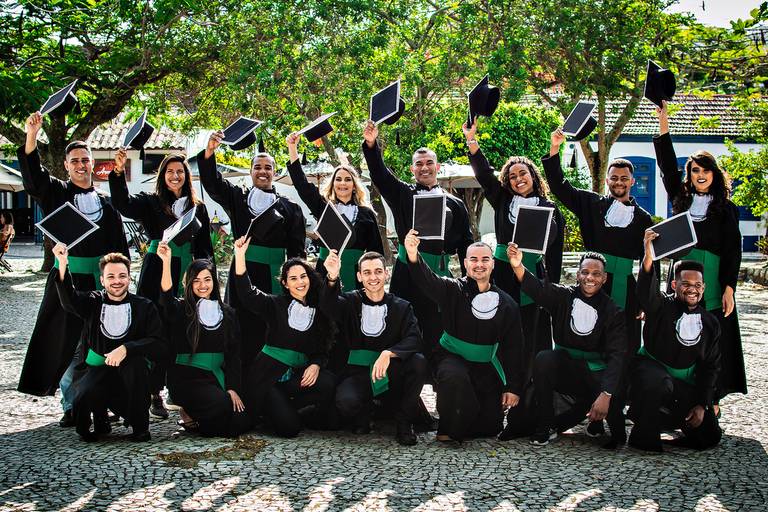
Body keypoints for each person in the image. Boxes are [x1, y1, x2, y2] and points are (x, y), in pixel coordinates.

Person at [16, 112, 129, 429]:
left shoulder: (107, 206)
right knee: (68, 344)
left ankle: (97, 401)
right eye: (75, 161)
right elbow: (33, 177)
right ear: (66, 166)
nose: (81, 165)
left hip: (100, 284)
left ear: (93, 164)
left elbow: (118, 250)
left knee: (100, 344)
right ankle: (71, 404)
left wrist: (117, 284)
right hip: (67, 280)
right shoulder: (57, 194)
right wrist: (31, 134)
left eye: (85, 160)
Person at [109, 150, 214, 419]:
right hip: (157, 271)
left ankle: (178, 394)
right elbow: (122, 204)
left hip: (185, 276)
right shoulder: (150, 202)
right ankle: (152, 392)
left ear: (186, 176)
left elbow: (204, 248)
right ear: (162, 176)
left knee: (180, 333)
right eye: (170, 172)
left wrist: (205, 279)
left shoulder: (197, 207)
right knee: (155, 330)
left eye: (180, 171)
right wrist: (118, 173)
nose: (175, 176)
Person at [654, 101, 746, 405]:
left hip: (713, 280)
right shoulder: (681, 200)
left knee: (712, 337)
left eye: (705, 170)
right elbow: (667, 166)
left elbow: (734, 249)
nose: (701, 175)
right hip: (682, 277)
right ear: (690, 175)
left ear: (713, 174)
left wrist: (729, 288)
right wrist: (663, 121)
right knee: (679, 329)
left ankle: (711, 399)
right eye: (695, 171)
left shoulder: (726, 208)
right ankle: (676, 394)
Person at [362, 121, 473, 362]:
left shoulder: (456, 203)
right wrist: (371, 145)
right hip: (406, 273)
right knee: (402, 326)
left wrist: (469, 281)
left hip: (439, 274)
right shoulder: (402, 194)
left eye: (429, 163)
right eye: (419, 164)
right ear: (412, 169)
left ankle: (437, 380)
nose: (424, 168)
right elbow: (379, 174)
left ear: (438, 167)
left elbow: (466, 243)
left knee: (438, 329)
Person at [197, 131, 306, 371]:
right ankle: (239, 381)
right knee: (239, 327)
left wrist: (295, 285)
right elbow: (213, 184)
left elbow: (297, 253)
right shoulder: (238, 199)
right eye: (258, 167)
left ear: (275, 173)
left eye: (268, 167)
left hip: (275, 280)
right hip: (242, 276)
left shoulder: (291, 209)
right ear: (251, 171)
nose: (263, 172)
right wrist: (210, 151)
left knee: (272, 329)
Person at [463, 119, 564, 376]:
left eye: (523, 173)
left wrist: (550, 286)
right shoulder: (502, 200)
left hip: (533, 277)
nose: (519, 179)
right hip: (503, 275)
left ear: (533, 176)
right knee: (501, 326)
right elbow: (484, 175)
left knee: (533, 333)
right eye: (512, 176)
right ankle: (498, 382)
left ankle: (529, 390)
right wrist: (471, 141)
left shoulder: (550, 209)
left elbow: (555, 253)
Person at [404, 230, 523, 442]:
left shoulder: (507, 303)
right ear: (466, 263)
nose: (479, 264)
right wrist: (413, 254)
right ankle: (448, 428)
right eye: (474, 259)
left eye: (485, 259)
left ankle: (468, 417)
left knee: (491, 426)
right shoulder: (452, 289)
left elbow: (514, 347)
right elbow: (427, 280)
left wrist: (512, 387)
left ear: (493, 264)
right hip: (451, 357)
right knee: (453, 375)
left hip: (486, 364)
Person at [503, 245, 628, 448]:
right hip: (567, 369)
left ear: (604, 279)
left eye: (596, 274)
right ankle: (545, 425)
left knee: (618, 436)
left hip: (596, 374)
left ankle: (597, 421)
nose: (590, 278)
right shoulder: (563, 296)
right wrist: (517, 265)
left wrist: (606, 394)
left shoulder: (613, 311)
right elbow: (536, 288)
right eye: (585, 272)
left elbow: (617, 356)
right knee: (544, 359)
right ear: (578, 275)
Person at [545, 129, 652, 354]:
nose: (618, 182)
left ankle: (620, 386)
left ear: (632, 181)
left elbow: (649, 263)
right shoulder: (591, 204)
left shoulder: (644, 218)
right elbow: (559, 187)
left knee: (622, 341)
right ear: (606, 180)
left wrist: (645, 300)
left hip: (625, 287)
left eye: (624, 178)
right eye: (614, 178)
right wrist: (555, 147)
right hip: (591, 280)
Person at [52, 243, 164, 442]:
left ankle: (140, 426)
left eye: (122, 276)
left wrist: (127, 349)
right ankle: (98, 418)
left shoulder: (144, 306)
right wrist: (62, 263)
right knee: (83, 398)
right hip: (98, 369)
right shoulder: (93, 301)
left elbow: (157, 341)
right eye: (111, 277)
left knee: (135, 366)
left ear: (129, 278)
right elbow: (69, 300)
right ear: (102, 280)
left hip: (131, 372)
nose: (117, 281)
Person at [627, 229, 722, 452]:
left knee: (710, 434)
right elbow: (646, 293)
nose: (692, 289)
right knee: (659, 382)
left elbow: (712, 366)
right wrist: (648, 258)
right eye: (686, 284)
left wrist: (702, 404)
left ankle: (675, 429)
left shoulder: (710, 322)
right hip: (651, 375)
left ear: (704, 289)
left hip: (682, 386)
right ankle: (643, 436)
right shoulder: (661, 306)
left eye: (698, 286)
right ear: (673, 286)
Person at [232, 235, 336, 438]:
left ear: (310, 278)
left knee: (328, 382)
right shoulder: (275, 305)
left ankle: (287, 408)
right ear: (285, 283)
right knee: (290, 429)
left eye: (303, 276)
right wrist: (240, 256)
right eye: (293, 278)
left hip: (296, 378)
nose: (300, 282)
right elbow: (247, 294)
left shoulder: (319, 310)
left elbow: (322, 347)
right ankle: (274, 411)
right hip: (268, 378)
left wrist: (315, 364)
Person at [319, 250, 427, 445]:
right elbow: (328, 306)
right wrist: (332, 277)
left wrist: (389, 353)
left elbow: (414, 339)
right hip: (358, 373)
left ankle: (404, 422)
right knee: (345, 403)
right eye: (367, 272)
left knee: (418, 362)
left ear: (386, 274)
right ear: (359, 276)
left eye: (378, 271)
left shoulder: (402, 306)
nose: (373, 277)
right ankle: (367, 409)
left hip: (391, 372)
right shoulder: (350, 301)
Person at [156, 243, 250, 437]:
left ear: (214, 282)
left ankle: (197, 417)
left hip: (215, 377)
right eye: (196, 281)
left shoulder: (228, 313)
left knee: (241, 422)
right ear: (188, 283)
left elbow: (234, 356)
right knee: (221, 409)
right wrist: (166, 262)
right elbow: (166, 298)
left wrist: (232, 388)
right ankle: (187, 411)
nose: (202, 285)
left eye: (207, 279)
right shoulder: (181, 309)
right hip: (186, 377)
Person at [285, 132, 383, 289]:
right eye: (338, 179)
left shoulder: (366, 213)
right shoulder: (323, 207)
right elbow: (301, 184)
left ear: (354, 185)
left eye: (347, 179)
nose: (342, 183)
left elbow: (376, 251)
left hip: (356, 275)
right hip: (325, 272)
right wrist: (292, 148)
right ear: (332, 184)